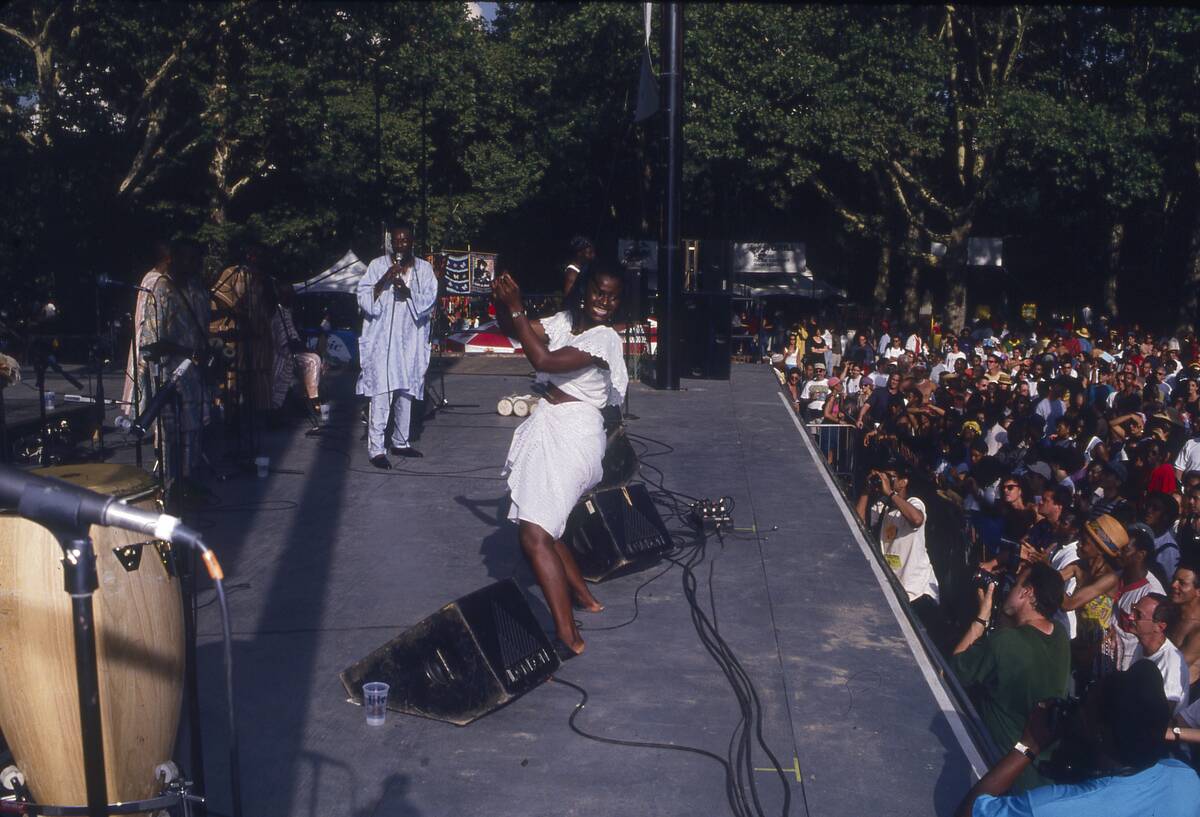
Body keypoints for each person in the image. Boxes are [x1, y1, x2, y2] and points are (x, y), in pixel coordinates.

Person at [492, 261, 627, 656]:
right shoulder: (565, 322)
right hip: (551, 423)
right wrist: (502, 300)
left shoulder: (604, 339)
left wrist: (516, 307)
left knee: (533, 536)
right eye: (599, 292)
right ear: (584, 291)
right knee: (549, 529)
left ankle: (570, 637)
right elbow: (513, 331)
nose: (604, 302)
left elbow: (544, 362)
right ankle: (585, 599)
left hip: (576, 434)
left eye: (613, 296)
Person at [955, 660, 1200, 817]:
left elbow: (968, 813)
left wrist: (1027, 746)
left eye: (1084, 706)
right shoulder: (1186, 779)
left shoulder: (1049, 808)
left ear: (1099, 732)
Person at [952, 562, 1070, 791]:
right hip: (1038, 776)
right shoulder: (1060, 636)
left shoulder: (1003, 644)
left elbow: (956, 669)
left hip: (997, 771)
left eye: (1015, 584)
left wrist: (981, 617)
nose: (1009, 589)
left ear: (1027, 592)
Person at [356, 224, 437, 468]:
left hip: (410, 342)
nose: (401, 245)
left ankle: (400, 441)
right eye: (397, 241)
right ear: (392, 242)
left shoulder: (424, 268)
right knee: (382, 393)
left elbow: (430, 298)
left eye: (406, 241)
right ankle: (376, 449)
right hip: (383, 343)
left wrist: (407, 292)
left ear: (412, 242)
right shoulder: (377, 265)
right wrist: (385, 279)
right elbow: (363, 296)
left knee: (406, 392)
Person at [132, 239, 210, 487]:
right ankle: (172, 487)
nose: (195, 265)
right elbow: (152, 341)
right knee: (172, 436)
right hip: (171, 375)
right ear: (175, 259)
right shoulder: (162, 288)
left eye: (197, 259)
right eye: (190, 259)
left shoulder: (196, 287)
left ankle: (190, 482)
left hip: (195, 373)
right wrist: (186, 351)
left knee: (194, 431)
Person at [268, 284, 324, 418]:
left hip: (293, 351)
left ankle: (311, 396)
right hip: (282, 353)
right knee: (313, 360)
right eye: (288, 294)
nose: (291, 297)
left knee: (318, 359)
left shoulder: (288, 312)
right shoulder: (278, 313)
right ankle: (313, 400)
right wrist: (306, 349)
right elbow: (286, 342)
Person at [561, 236, 594, 301]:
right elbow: (568, 296)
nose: (593, 255)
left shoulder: (583, 269)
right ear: (579, 253)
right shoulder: (572, 272)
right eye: (589, 253)